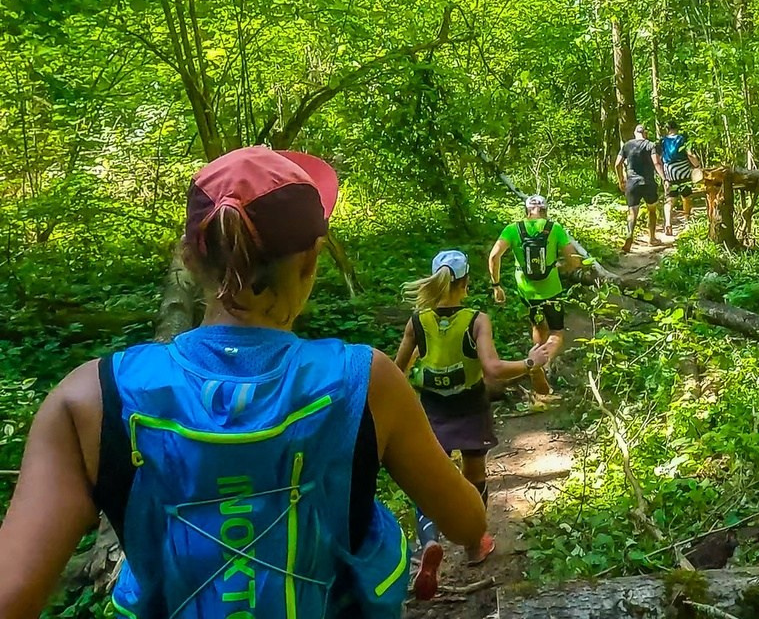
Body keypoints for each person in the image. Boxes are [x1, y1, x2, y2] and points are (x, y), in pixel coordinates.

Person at [0, 146, 487, 619]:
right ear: (310, 262)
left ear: (190, 261)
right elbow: (467, 522)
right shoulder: (365, 380)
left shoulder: (88, 398)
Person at [394, 249, 550, 597]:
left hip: (432, 409)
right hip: (470, 407)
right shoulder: (476, 319)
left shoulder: (418, 321)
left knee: (429, 479)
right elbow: (493, 369)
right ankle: (474, 544)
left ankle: (427, 545)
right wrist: (530, 362)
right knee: (474, 474)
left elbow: (397, 371)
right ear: (465, 282)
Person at [488, 195, 581, 397]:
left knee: (538, 325)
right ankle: (543, 364)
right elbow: (574, 259)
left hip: (527, 291)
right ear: (545, 210)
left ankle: (537, 355)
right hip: (552, 290)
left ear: (526, 210)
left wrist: (496, 285)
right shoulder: (554, 228)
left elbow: (494, 255)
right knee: (556, 331)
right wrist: (564, 268)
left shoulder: (513, 229)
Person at [615, 124, 666, 253]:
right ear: (646, 133)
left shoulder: (627, 145)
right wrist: (665, 179)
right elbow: (656, 163)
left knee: (632, 212)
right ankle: (652, 238)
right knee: (652, 210)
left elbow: (617, 164)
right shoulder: (650, 145)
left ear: (634, 133)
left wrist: (621, 179)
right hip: (648, 183)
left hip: (632, 183)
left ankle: (629, 235)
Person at [659, 121, 701, 235]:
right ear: (677, 128)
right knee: (686, 197)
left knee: (670, 199)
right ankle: (687, 221)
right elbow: (689, 154)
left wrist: (663, 176)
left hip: (670, 172)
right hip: (683, 172)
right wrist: (697, 165)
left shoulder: (662, 141)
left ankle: (668, 223)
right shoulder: (682, 139)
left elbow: (660, 158)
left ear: (667, 129)